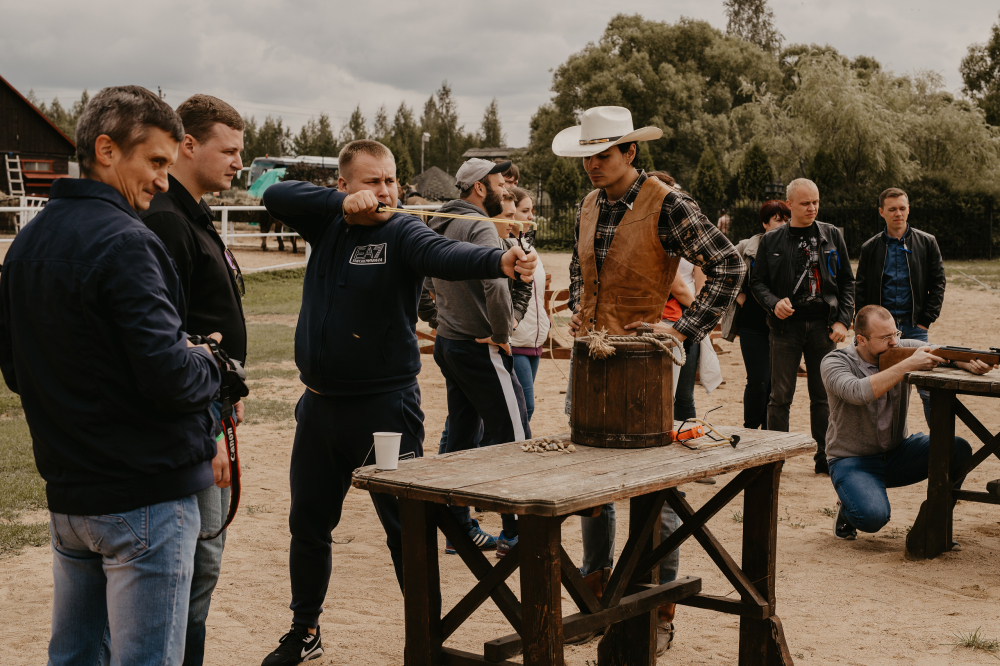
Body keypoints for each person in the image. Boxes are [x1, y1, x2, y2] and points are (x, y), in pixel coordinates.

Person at [258, 142, 536, 666]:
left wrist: (500, 258)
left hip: (384, 411)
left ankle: (427, 639)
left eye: (389, 180)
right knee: (309, 524)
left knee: (404, 530)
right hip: (318, 408)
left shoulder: (403, 230)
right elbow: (276, 194)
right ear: (344, 186)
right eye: (370, 182)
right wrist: (338, 208)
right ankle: (305, 630)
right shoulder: (329, 224)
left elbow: (447, 256)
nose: (384, 191)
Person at [0, 86, 223, 666]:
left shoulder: (26, 243)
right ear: (106, 149)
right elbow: (171, 377)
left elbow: (18, 370)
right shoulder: (127, 241)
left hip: (72, 496)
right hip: (143, 495)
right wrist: (212, 362)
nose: (162, 181)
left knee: (74, 657)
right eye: (154, 162)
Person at [555, 106, 744, 653]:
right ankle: (597, 602)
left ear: (630, 152)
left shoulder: (668, 202)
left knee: (657, 492)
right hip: (592, 361)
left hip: (647, 367)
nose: (593, 165)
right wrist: (581, 307)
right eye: (587, 156)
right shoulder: (588, 204)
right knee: (592, 489)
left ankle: (659, 610)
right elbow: (577, 262)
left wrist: (682, 330)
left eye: (604, 154)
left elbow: (729, 265)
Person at [139, 94, 248, 666]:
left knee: (202, 567)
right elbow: (168, 341)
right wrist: (207, 433)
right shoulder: (165, 220)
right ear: (187, 144)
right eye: (227, 151)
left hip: (211, 410)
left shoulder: (193, 213)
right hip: (192, 420)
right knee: (192, 569)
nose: (238, 163)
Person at [426, 158, 531, 558]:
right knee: (515, 436)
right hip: (480, 345)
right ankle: (517, 534)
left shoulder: (436, 224)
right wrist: (503, 335)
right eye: (499, 182)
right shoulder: (479, 226)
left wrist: (440, 320)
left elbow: (422, 279)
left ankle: (458, 528)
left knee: (462, 438)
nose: (506, 188)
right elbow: (496, 285)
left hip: (449, 343)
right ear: (479, 189)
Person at [821, 305, 983, 541]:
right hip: (852, 460)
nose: (895, 342)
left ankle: (934, 524)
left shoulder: (901, 348)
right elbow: (857, 392)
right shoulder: (835, 361)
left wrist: (968, 363)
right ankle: (847, 509)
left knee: (957, 448)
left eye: (895, 333)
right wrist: (908, 365)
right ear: (861, 340)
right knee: (873, 517)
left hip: (897, 453)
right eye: (886, 337)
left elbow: (942, 352)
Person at [750, 178, 855, 475]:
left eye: (816, 202)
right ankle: (775, 457)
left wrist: (843, 320)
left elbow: (847, 281)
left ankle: (825, 457)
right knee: (780, 396)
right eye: (806, 203)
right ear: (790, 204)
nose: (812, 208)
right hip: (785, 329)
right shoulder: (771, 240)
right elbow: (757, 282)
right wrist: (773, 303)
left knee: (823, 395)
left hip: (824, 327)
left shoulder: (832, 235)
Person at [855, 187, 945, 426]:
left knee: (927, 390)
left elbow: (938, 283)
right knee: (880, 387)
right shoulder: (870, 248)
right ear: (881, 212)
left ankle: (939, 451)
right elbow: (860, 290)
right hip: (879, 334)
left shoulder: (927, 242)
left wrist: (926, 318)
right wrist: (863, 329)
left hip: (915, 327)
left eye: (902, 208)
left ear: (908, 209)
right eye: (892, 209)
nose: (898, 213)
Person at [721, 200, 790, 430]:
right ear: (764, 223)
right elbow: (725, 270)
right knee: (758, 380)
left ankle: (770, 431)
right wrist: (738, 294)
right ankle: (751, 428)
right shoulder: (746, 247)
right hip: (752, 323)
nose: (783, 224)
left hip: (783, 325)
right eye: (778, 219)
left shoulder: (794, 245)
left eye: (787, 219)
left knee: (776, 383)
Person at [508, 187, 550, 423]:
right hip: (516, 339)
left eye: (531, 210)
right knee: (525, 408)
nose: (531, 216)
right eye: (525, 211)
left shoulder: (528, 246)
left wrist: (544, 320)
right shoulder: (504, 247)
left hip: (534, 339)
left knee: (522, 410)